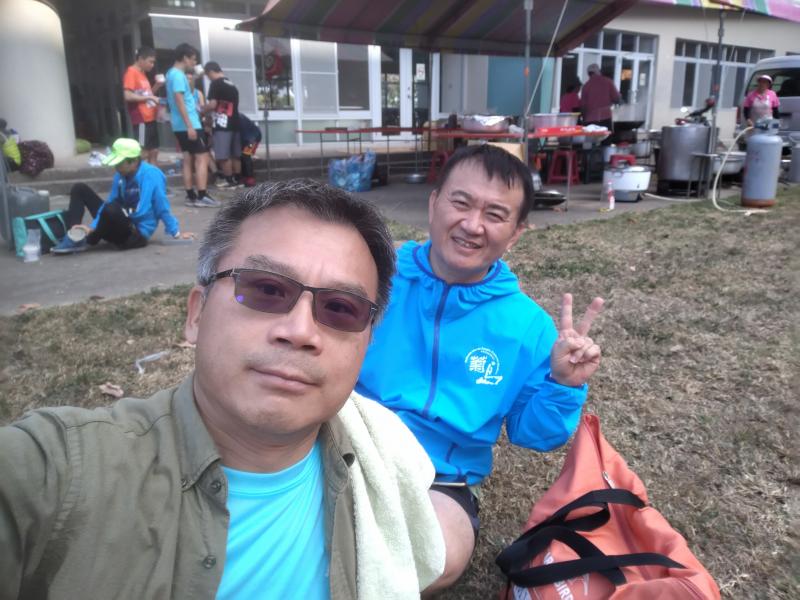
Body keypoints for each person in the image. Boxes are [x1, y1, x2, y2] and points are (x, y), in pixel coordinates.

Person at [1, 179, 445, 598]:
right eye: (266, 288)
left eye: (341, 308)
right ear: (196, 314)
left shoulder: (380, 457)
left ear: (366, 346)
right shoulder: (56, 472)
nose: (300, 331)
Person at [356, 144, 604, 593]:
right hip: (346, 446)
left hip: (441, 479)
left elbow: (534, 434)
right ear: (434, 203)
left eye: (494, 214)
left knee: (435, 557)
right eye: (461, 202)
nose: (472, 225)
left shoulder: (527, 325)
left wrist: (562, 385)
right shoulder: (376, 275)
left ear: (516, 233)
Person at [51, 138, 193, 254]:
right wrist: (94, 226)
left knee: (112, 209)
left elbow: (161, 206)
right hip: (116, 222)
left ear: (134, 161)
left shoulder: (151, 175)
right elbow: (110, 202)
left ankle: (88, 238)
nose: (116, 167)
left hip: (134, 234)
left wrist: (176, 233)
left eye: (119, 163)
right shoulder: (120, 175)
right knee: (79, 188)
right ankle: (74, 235)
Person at [166, 43, 219, 208]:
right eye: (193, 59)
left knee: (188, 159)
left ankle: (190, 195)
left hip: (179, 124)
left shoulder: (171, 74)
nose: (194, 63)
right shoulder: (178, 75)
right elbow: (180, 101)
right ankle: (202, 195)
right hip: (189, 124)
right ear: (185, 58)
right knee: (202, 157)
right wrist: (190, 125)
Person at [204, 61, 243, 189]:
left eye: (207, 75)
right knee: (235, 154)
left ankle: (229, 180)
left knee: (223, 155)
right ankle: (238, 179)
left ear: (210, 72)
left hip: (222, 124)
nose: (208, 78)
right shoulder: (231, 84)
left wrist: (200, 110)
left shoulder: (215, 84)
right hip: (235, 123)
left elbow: (212, 105)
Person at [123, 46, 164, 164]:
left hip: (151, 117)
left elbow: (147, 94)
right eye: (150, 62)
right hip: (141, 119)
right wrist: (150, 97)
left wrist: (157, 86)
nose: (152, 65)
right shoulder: (131, 72)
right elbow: (127, 96)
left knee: (154, 151)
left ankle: (152, 175)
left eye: (153, 62)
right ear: (141, 59)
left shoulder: (142, 73)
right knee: (143, 151)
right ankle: (138, 173)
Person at [580, 63, 621, 130]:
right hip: (605, 118)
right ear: (599, 71)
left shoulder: (586, 86)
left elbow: (583, 106)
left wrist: (584, 119)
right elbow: (617, 98)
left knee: (591, 137)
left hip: (590, 120)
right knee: (606, 136)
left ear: (589, 74)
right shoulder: (608, 82)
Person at [238, 112, 262, 187]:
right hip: (248, 138)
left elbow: (247, 132)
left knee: (246, 155)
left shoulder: (239, 118)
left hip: (252, 138)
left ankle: (250, 178)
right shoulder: (238, 116)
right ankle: (245, 176)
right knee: (243, 156)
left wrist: (250, 143)